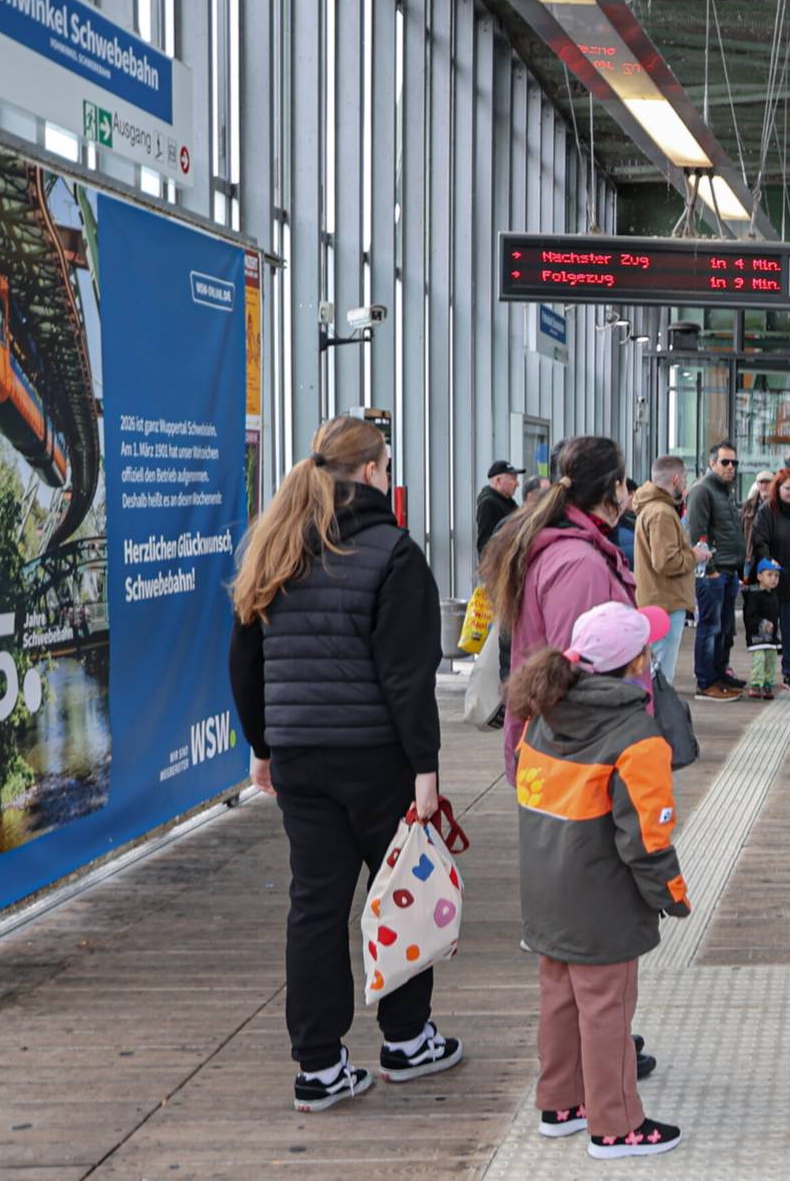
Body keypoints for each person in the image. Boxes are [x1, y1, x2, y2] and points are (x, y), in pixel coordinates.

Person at [227, 415, 463, 1112]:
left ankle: (320, 1067)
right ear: (368, 472)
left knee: (316, 907)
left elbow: (245, 663)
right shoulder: (393, 554)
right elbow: (405, 676)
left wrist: (263, 748)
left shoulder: (274, 547)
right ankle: (406, 1038)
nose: (388, 476)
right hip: (377, 760)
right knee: (405, 894)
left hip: (301, 758)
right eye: (386, 465)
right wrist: (426, 767)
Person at [506, 602, 689, 1160]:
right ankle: (616, 1125)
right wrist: (672, 895)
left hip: (545, 892)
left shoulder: (543, 713)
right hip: (602, 901)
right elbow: (647, 838)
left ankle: (560, 1104)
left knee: (558, 996)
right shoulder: (638, 738)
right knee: (607, 1006)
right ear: (638, 661)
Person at [481, 436, 638, 783]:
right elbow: (576, 669)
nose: (629, 493)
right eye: (625, 483)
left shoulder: (567, 547)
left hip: (562, 750)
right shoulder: (577, 563)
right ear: (612, 488)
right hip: (576, 759)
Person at [630, 457, 708, 683]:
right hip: (665, 602)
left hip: (656, 599)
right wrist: (694, 555)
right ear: (676, 479)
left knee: (654, 668)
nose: (685, 484)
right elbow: (665, 562)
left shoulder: (650, 508)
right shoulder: (662, 513)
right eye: (684, 479)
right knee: (662, 674)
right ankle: (659, 717)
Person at [684, 443, 747, 702]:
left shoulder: (725, 492)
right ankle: (706, 682)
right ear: (712, 464)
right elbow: (698, 533)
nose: (731, 467)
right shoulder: (702, 490)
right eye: (725, 462)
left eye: (734, 463)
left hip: (729, 570)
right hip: (714, 572)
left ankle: (719, 675)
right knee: (710, 628)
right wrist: (709, 570)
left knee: (724, 629)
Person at [749, 467, 790, 692]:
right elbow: (760, 540)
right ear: (778, 488)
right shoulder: (767, 511)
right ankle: (762, 675)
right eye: (788, 488)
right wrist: (768, 564)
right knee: (767, 629)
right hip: (772, 581)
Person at [743, 560, 783, 700]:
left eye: (776, 576)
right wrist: (763, 624)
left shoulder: (774, 594)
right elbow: (749, 615)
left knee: (771, 660)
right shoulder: (754, 595)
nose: (774, 579)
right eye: (770, 575)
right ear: (760, 576)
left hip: (771, 637)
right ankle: (755, 684)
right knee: (759, 659)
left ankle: (767, 684)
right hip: (757, 636)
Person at [475, 459, 523, 552]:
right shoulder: (488, 504)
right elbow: (485, 545)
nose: (517, 484)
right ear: (498, 480)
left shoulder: (507, 500)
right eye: (513, 479)